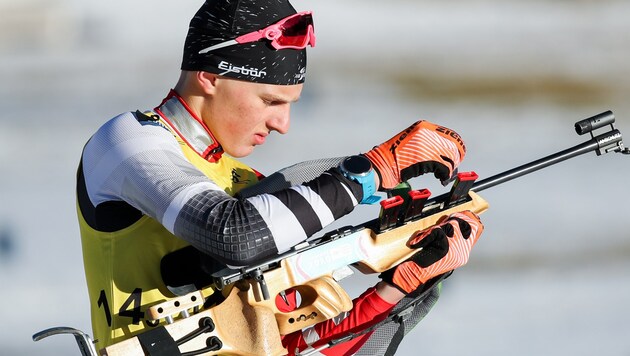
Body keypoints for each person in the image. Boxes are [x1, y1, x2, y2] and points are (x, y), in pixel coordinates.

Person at [76, 0, 484, 354]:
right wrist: (370, 172)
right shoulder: (126, 143)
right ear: (211, 76)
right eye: (270, 100)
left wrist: (400, 287)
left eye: (290, 105)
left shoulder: (246, 183)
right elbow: (233, 234)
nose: (282, 123)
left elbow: (296, 349)